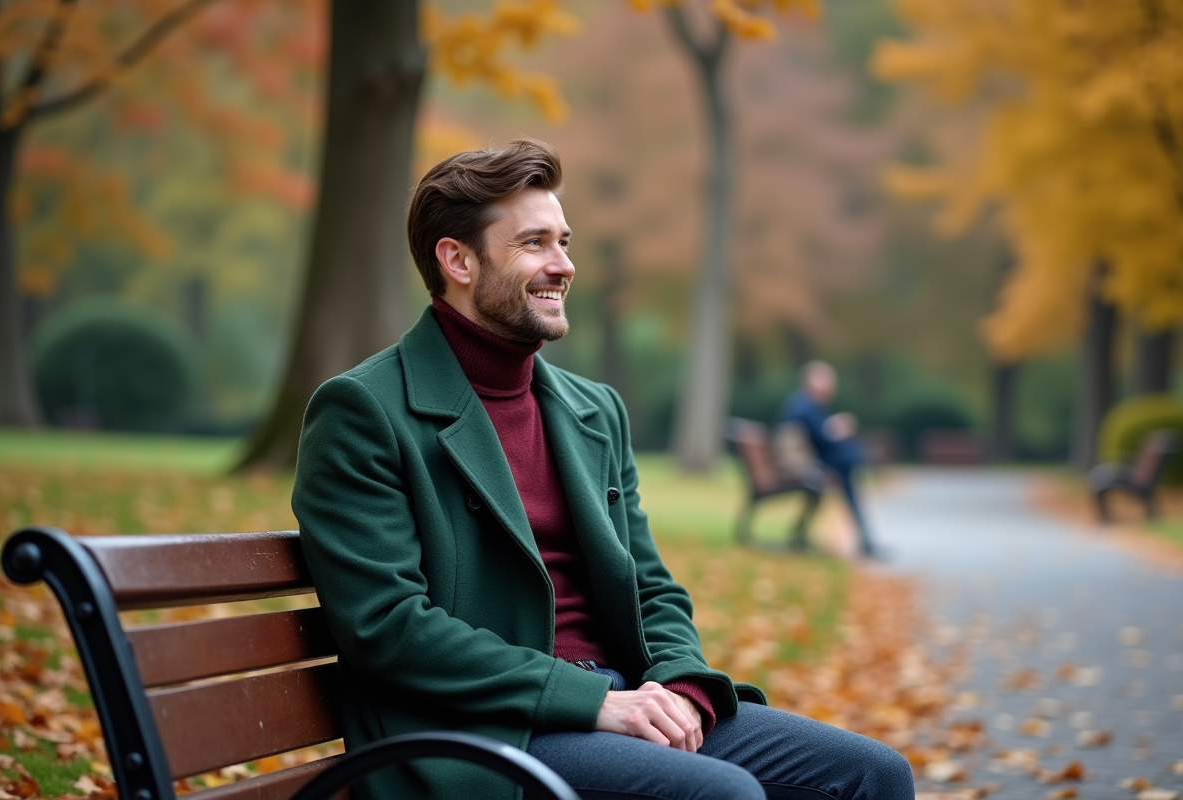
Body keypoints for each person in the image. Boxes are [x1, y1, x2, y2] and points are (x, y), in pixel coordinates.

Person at [292, 139, 913, 800]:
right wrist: (591, 699)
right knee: (723, 796)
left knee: (873, 775)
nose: (564, 265)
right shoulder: (365, 412)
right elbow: (388, 627)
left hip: (624, 699)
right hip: (490, 733)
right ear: (458, 261)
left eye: (565, 241)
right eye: (535, 243)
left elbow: (651, 587)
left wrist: (680, 684)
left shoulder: (594, 411)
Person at [774, 361, 881, 559]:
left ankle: (864, 539)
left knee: (848, 462)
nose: (831, 386)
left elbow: (820, 437)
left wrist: (833, 429)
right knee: (848, 466)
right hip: (803, 467)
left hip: (812, 463)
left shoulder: (806, 405)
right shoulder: (804, 405)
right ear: (812, 381)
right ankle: (865, 539)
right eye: (827, 381)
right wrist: (836, 428)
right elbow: (822, 438)